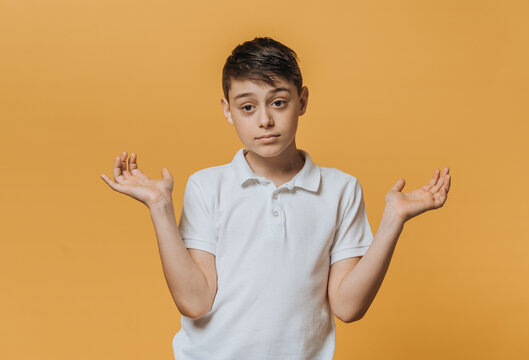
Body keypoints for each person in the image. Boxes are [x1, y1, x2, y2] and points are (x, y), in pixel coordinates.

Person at [100, 36, 451, 359]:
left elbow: (347, 306)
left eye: (278, 102)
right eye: (247, 107)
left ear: (303, 101)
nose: (265, 120)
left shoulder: (341, 189)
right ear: (227, 110)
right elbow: (194, 302)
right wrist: (160, 208)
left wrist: (393, 220)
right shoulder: (207, 186)